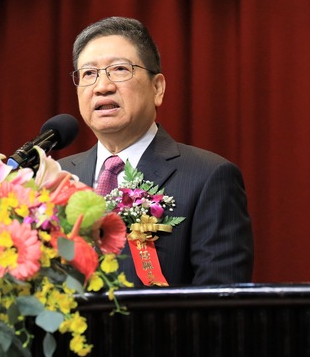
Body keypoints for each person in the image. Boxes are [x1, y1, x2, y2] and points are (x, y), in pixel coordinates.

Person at [57, 16, 254, 286]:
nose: (102, 87)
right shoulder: (56, 179)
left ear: (157, 88)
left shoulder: (208, 177)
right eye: (89, 74)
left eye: (119, 69)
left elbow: (219, 299)